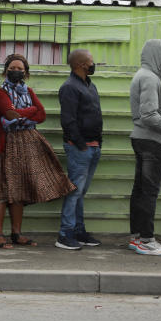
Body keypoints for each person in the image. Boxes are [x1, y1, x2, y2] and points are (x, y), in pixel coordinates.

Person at [0, 54, 74, 249]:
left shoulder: (29, 91)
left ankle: (16, 234)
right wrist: (29, 111)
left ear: (26, 72)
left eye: (20, 69)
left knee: (20, 189)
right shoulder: (0, 93)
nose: (16, 71)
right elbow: (8, 113)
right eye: (12, 68)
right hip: (5, 144)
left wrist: (21, 114)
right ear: (5, 71)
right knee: (0, 189)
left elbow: (41, 115)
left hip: (27, 144)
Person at [127, 39, 161, 256]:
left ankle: (137, 238)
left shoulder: (145, 75)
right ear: (157, 55)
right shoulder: (148, 78)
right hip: (152, 141)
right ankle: (146, 240)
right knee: (149, 192)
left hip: (145, 139)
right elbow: (148, 115)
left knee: (140, 191)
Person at [56, 49, 103, 250]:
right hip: (79, 148)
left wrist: (97, 143)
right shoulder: (69, 87)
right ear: (81, 65)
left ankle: (78, 231)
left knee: (80, 192)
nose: (93, 64)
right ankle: (64, 234)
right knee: (74, 191)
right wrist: (81, 145)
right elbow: (68, 120)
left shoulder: (89, 86)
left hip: (93, 147)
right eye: (91, 61)